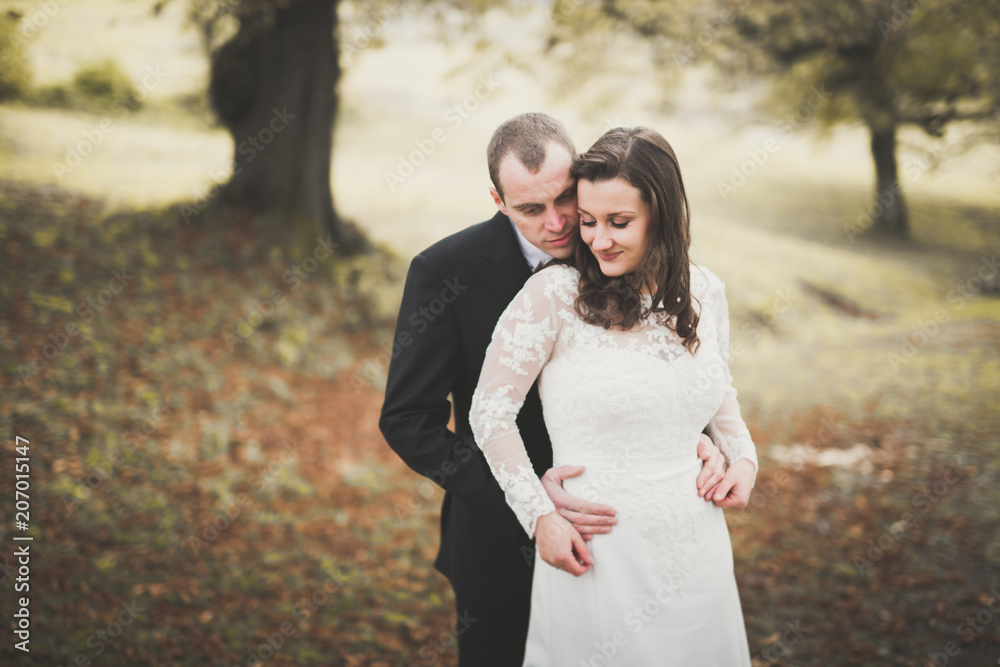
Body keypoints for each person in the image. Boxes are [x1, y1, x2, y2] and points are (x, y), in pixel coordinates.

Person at [379, 114, 728, 666]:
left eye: (567, 198)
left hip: (631, 533)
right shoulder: (445, 271)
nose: (562, 222)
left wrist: (699, 437)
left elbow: (669, 361)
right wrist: (532, 506)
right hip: (498, 536)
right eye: (531, 210)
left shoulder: (624, 247)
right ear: (498, 199)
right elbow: (406, 420)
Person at [469, 126, 758, 665]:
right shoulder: (553, 295)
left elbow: (720, 397)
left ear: (663, 216)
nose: (599, 240)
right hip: (595, 550)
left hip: (696, 549)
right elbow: (490, 413)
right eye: (589, 222)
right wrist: (539, 516)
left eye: (619, 222)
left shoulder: (706, 292)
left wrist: (743, 459)